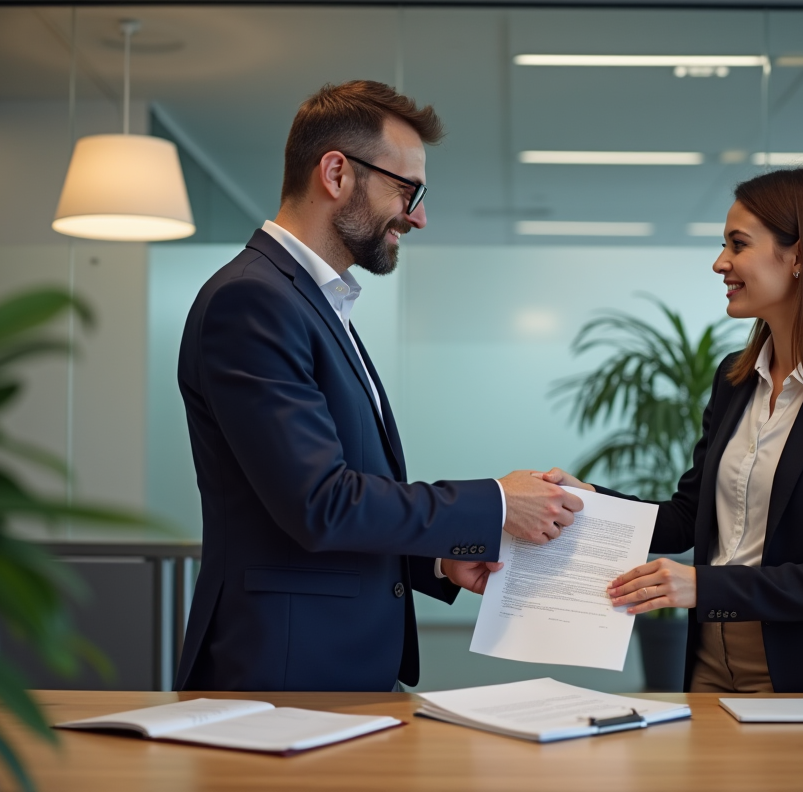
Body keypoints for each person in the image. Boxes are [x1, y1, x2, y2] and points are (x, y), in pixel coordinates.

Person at [174, 81, 583, 692]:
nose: (418, 215)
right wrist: (497, 502)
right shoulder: (253, 300)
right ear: (336, 172)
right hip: (282, 673)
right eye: (406, 189)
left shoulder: (310, 300)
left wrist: (439, 558)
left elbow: (325, 499)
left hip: (328, 666)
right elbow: (321, 503)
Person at [544, 167, 803, 693]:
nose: (721, 263)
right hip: (710, 661)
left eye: (737, 245)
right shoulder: (734, 378)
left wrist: (703, 584)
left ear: (801, 255)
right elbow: (689, 519)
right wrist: (592, 503)